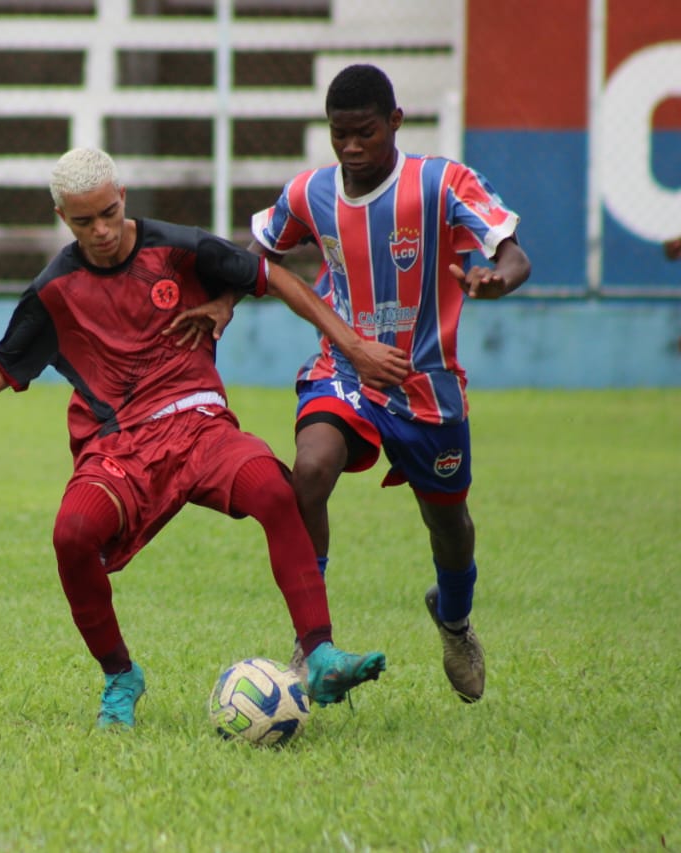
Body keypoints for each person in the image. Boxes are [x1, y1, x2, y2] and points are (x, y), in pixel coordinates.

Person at [0, 147, 388, 729]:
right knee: (71, 536)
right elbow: (5, 363)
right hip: (120, 447)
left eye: (109, 213)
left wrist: (352, 347)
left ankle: (318, 653)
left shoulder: (180, 247)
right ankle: (120, 675)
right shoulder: (54, 290)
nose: (101, 230)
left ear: (123, 196)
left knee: (273, 489)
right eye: (84, 221)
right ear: (64, 218)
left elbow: (276, 278)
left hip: (200, 427)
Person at [173, 64, 531, 703]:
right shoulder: (310, 194)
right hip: (343, 368)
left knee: (449, 525)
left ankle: (453, 621)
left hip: (426, 384)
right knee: (308, 471)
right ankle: (314, 642)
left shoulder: (440, 182)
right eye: (339, 134)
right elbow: (260, 254)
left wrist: (496, 278)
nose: (351, 147)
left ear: (395, 122)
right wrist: (227, 299)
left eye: (364, 132)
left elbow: (512, 250)